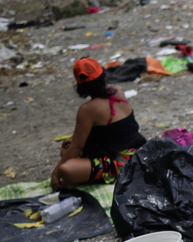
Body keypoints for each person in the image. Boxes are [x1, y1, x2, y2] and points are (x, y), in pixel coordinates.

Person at [50, 58, 147, 191]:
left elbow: (77, 148)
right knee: (66, 148)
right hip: (139, 153)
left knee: (66, 168)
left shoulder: (87, 109)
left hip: (123, 163)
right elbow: (113, 133)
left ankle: (77, 182)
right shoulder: (117, 92)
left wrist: (56, 172)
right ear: (104, 79)